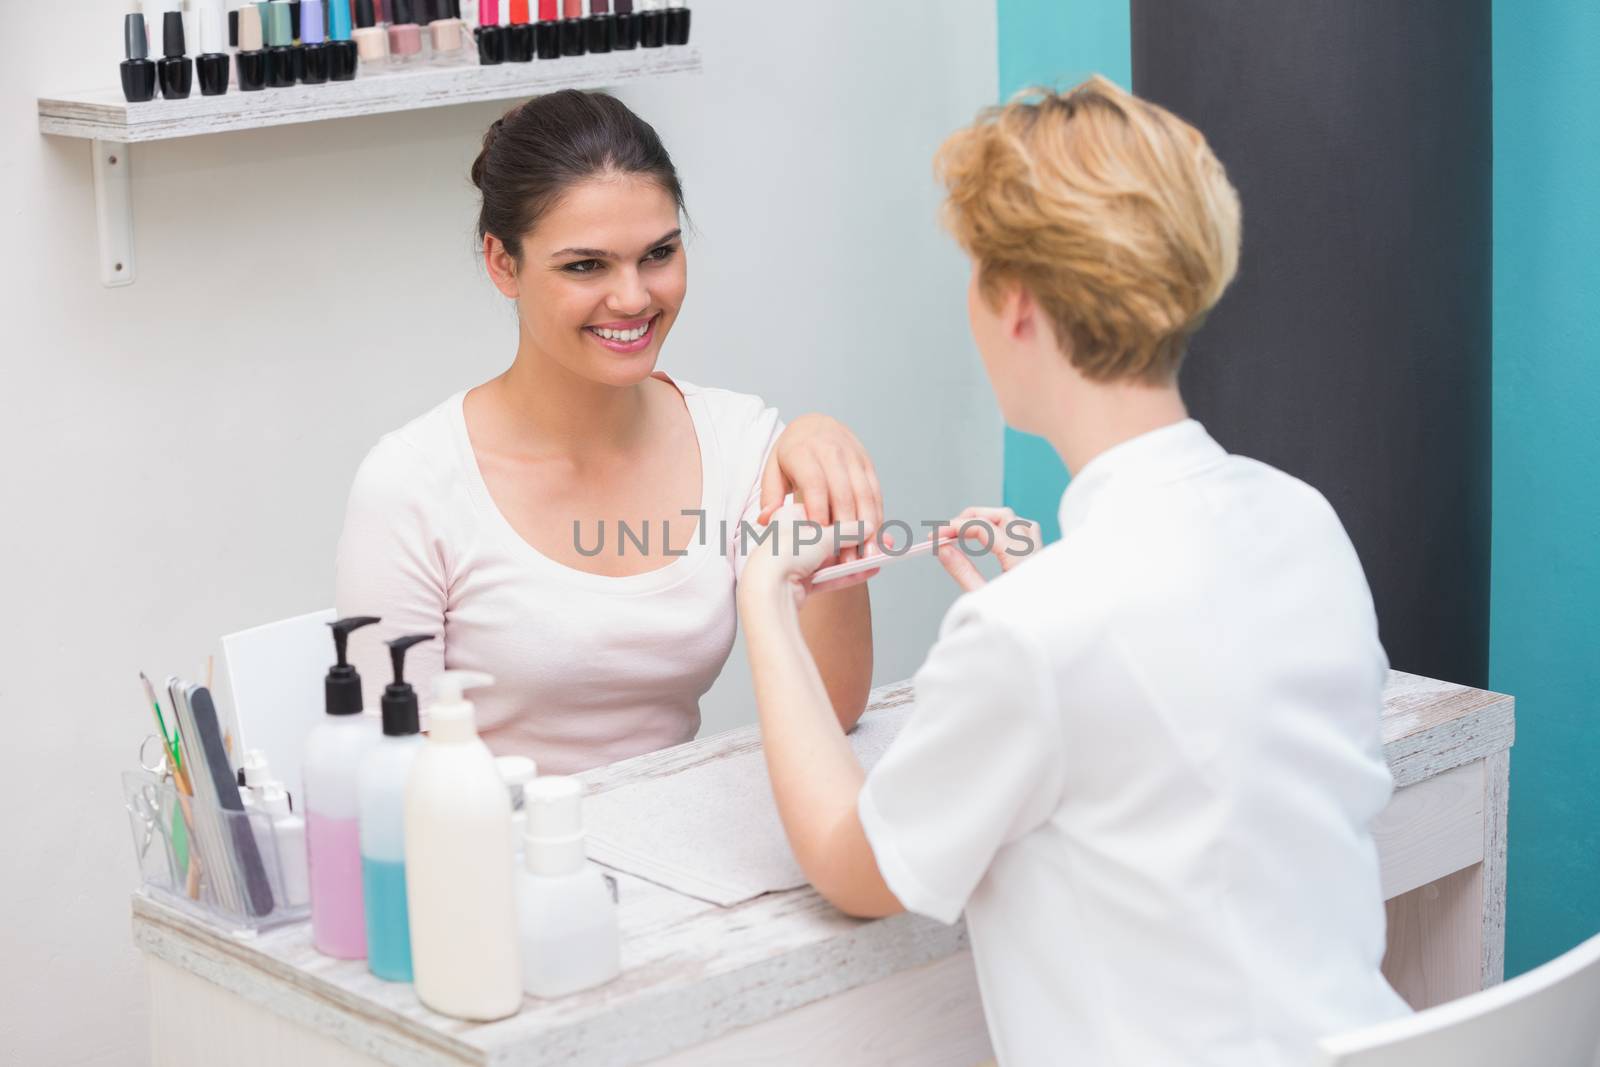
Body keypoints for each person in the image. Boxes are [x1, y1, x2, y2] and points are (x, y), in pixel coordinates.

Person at [737, 76, 1410, 1065]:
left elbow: (852, 865)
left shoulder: (1036, 633)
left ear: (1015, 303)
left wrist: (764, 597)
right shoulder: (1299, 518)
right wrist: (1041, 601)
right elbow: (1192, 740)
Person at [336, 90, 879, 774]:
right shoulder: (412, 484)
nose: (632, 298)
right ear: (504, 263)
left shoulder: (738, 440)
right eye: (585, 265)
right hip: (484, 855)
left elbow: (833, 708)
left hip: (674, 847)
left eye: (658, 253)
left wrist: (823, 482)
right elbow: (389, 779)